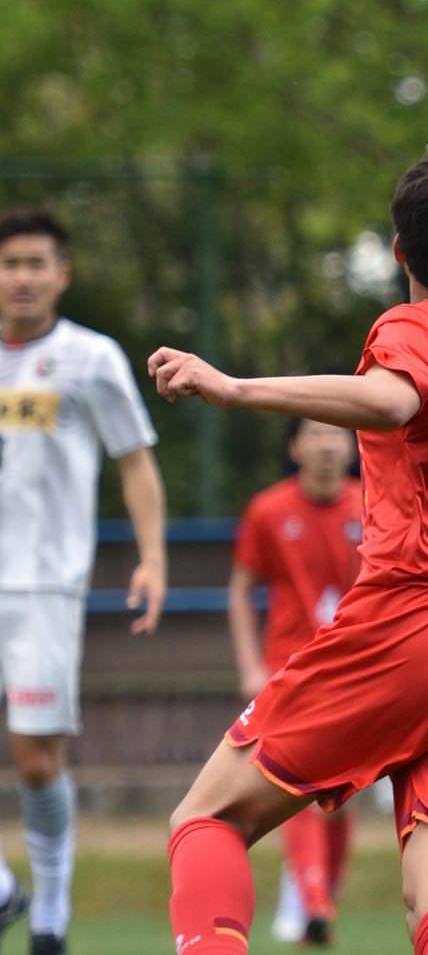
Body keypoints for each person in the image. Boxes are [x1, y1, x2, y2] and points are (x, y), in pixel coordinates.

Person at [150, 136, 428, 955]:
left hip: (424, 624)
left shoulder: (418, 326)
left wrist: (234, 387)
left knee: (207, 817)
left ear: (399, 250)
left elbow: (391, 399)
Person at [0, 208, 168, 955]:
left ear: (61, 274)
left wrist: (152, 556)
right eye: (10, 263)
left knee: (36, 758)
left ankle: (50, 910)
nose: (22, 277)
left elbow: (134, 458)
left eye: (36, 263)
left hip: (43, 584)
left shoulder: (90, 358)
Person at [227, 418, 365, 946]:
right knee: (295, 779)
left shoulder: (374, 506)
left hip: (358, 671)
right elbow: (241, 587)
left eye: (336, 434)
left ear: (352, 446)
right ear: (295, 447)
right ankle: (314, 902)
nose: (327, 444)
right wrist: (249, 665)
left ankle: (320, 901)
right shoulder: (268, 510)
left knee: (344, 794)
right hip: (291, 671)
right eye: (315, 434)